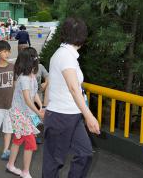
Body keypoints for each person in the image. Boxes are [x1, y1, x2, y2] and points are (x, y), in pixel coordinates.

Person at [42, 17, 100, 178]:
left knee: (85, 153)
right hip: (61, 116)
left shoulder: (66, 54)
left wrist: (44, 107)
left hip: (72, 115)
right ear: (82, 36)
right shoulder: (65, 56)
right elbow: (74, 89)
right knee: (54, 161)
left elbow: (52, 83)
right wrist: (89, 116)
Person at [6, 47, 45, 178]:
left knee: (18, 139)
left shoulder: (32, 77)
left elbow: (34, 95)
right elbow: (28, 100)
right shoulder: (24, 79)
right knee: (31, 142)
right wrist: (39, 113)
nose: (37, 60)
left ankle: (10, 165)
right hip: (19, 113)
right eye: (35, 58)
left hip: (25, 112)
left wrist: (41, 106)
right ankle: (25, 171)